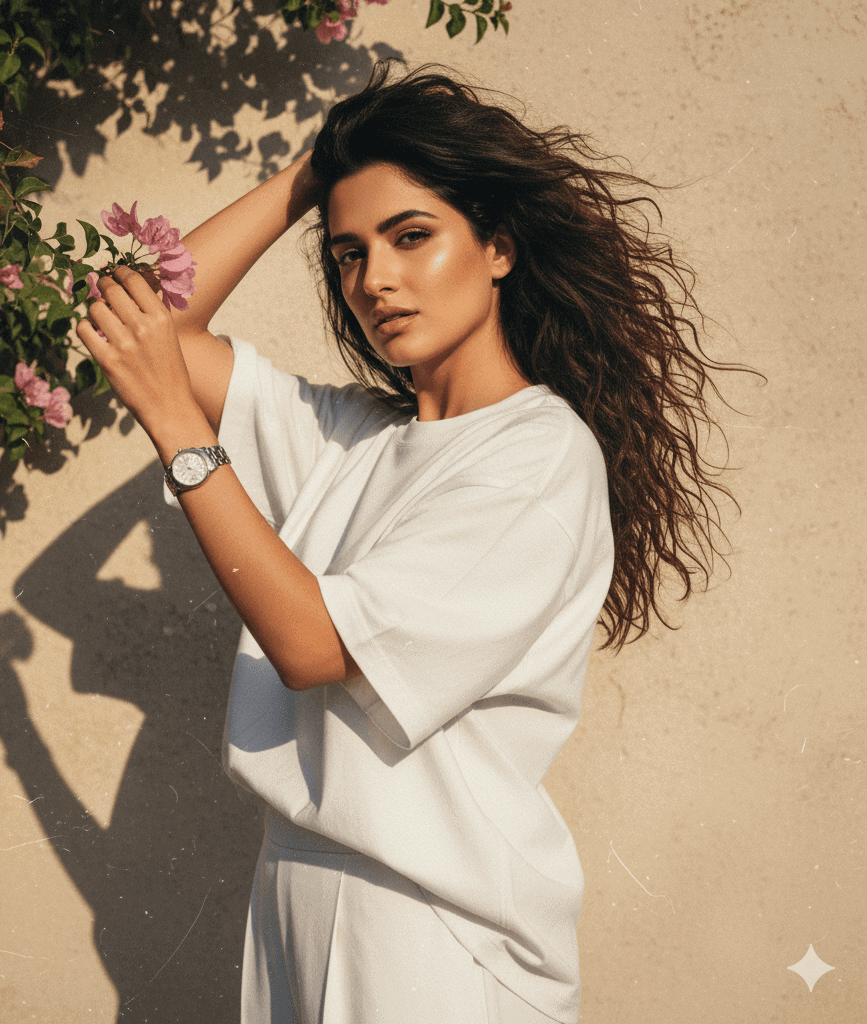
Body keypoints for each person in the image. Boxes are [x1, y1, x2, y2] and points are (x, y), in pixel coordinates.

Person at [77, 62, 738, 1024]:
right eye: (347, 253)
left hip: (430, 933)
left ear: (499, 247)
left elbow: (313, 648)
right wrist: (317, 171)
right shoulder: (357, 435)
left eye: (412, 236)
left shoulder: (540, 457)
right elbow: (149, 319)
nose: (374, 279)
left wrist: (182, 433)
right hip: (293, 897)